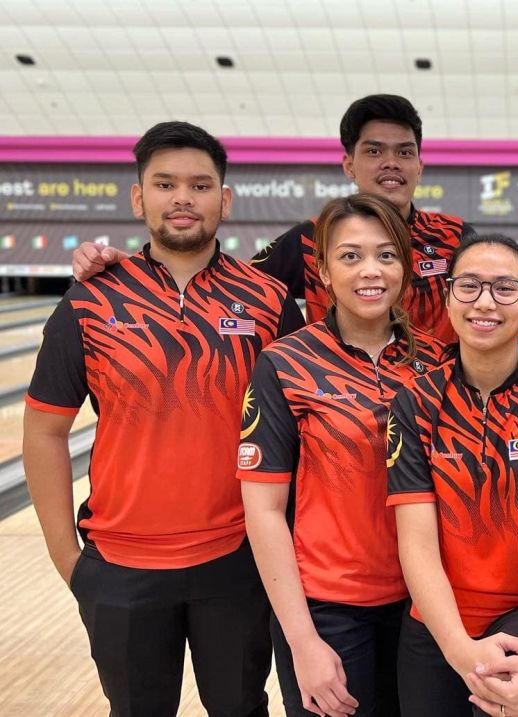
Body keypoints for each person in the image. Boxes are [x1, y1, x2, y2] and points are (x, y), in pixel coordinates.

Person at [23, 121, 304, 716]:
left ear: (223, 200)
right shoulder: (89, 300)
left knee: (242, 709)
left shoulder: (268, 299)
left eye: (201, 185)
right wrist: (66, 558)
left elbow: (306, 423)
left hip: (236, 561)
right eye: (165, 183)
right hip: (119, 568)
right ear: (139, 197)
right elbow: (46, 430)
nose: (183, 198)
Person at [238, 193, 447, 717]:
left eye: (386, 254)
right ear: (324, 272)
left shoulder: (441, 363)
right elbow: (263, 511)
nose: (369, 270)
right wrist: (302, 641)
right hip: (328, 612)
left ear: (405, 267)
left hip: (428, 606)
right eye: (350, 256)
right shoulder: (284, 363)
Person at [386, 234, 518, 716]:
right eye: (469, 286)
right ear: (447, 299)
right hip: (440, 620)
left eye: (506, 288)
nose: (485, 302)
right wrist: (460, 650)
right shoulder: (416, 401)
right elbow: (416, 543)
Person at [72, 94, 473, 340]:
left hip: (435, 417)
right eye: (373, 151)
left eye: (404, 152)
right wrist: (138, 270)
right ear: (349, 165)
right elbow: (227, 287)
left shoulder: (455, 237)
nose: (390, 163)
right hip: (338, 406)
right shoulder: (309, 239)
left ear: (420, 165)